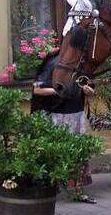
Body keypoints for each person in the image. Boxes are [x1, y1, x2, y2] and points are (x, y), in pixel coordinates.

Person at [31, 50, 97, 203]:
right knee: (53, 153)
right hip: (57, 115)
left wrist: (87, 90)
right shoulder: (54, 61)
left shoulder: (81, 62)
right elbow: (38, 89)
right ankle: (48, 188)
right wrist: (61, 90)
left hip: (76, 114)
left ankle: (77, 191)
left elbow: (89, 87)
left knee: (78, 154)